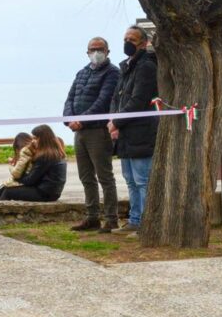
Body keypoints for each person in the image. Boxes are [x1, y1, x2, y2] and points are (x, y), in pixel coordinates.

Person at [63, 37, 121, 233]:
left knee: (105, 176)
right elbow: (70, 98)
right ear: (87, 52)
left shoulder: (112, 73)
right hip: (79, 132)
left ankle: (112, 218)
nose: (96, 52)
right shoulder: (82, 73)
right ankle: (92, 217)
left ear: (107, 51)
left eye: (100, 49)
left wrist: (82, 120)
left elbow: (103, 101)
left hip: (98, 131)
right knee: (86, 176)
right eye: (92, 49)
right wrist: (69, 119)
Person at [108, 26, 158, 235]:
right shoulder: (126, 67)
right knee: (130, 180)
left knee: (142, 181)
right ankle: (134, 220)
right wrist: (113, 121)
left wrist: (117, 122)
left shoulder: (146, 66)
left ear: (144, 43)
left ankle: (146, 223)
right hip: (125, 135)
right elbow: (117, 98)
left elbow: (138, 100)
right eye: (125, 38)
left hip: (141, 132)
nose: (128, 42)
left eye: (133, 39)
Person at [0, 125, 67, 202]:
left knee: (8, 192)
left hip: (45, 193)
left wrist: (16, 177)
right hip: (53, 192)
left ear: (44, 139)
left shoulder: (45, 156)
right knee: (5, 191)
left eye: (36, 138)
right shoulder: (56, 153)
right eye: (32, 138)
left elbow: (30, 181)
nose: (33, 141)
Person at [0, 132, 34, 200]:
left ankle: (1, 209)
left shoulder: (25, 153)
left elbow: (16, 174)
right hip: (26, 180)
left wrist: (11, 166)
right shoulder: (31, 151)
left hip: (22, 182)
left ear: (18, 147)